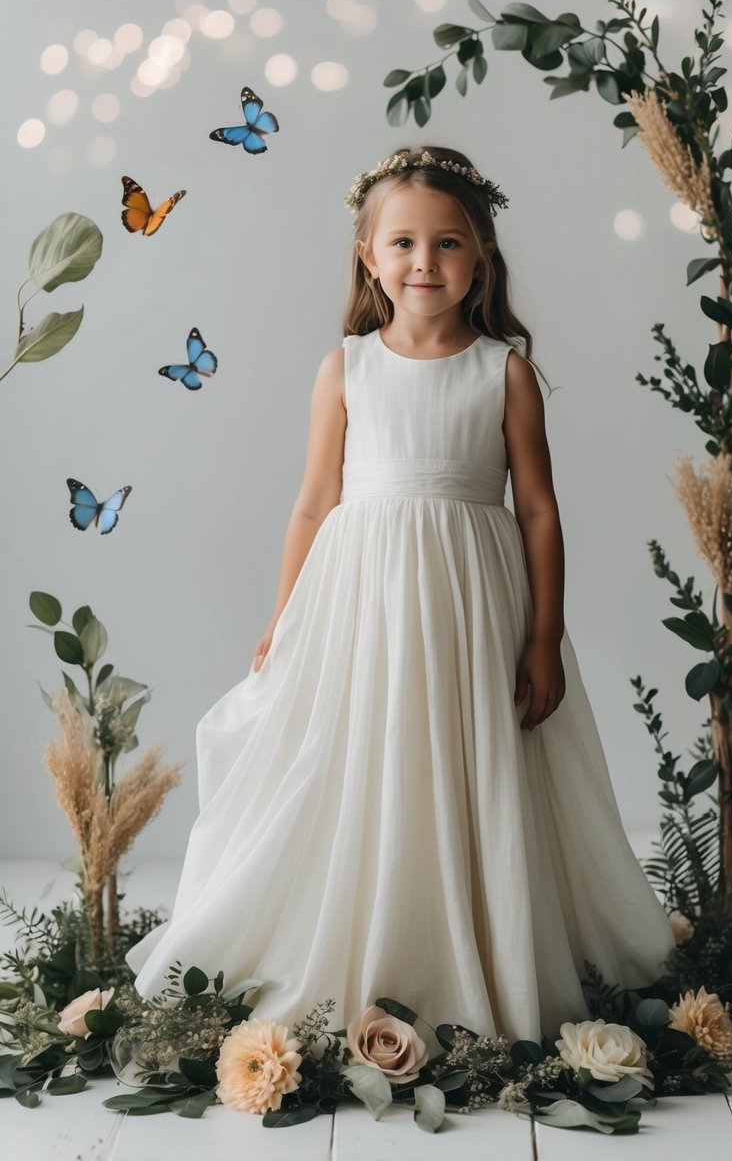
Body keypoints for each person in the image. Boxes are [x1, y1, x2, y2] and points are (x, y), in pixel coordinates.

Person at [125, 145, 676, 1044]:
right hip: (361, 603)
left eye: (449, 243)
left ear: (481, 258)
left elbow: (536, 510)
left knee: (471, 764)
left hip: (472, 604)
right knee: (366, 754)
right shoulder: (345, 368)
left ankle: (483, 951)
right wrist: (281, 622)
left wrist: (543, 638)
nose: (426, 262)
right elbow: (313, 503)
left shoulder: (502, 371)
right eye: (404, 243)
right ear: (368, 257)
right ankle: (368, 943)